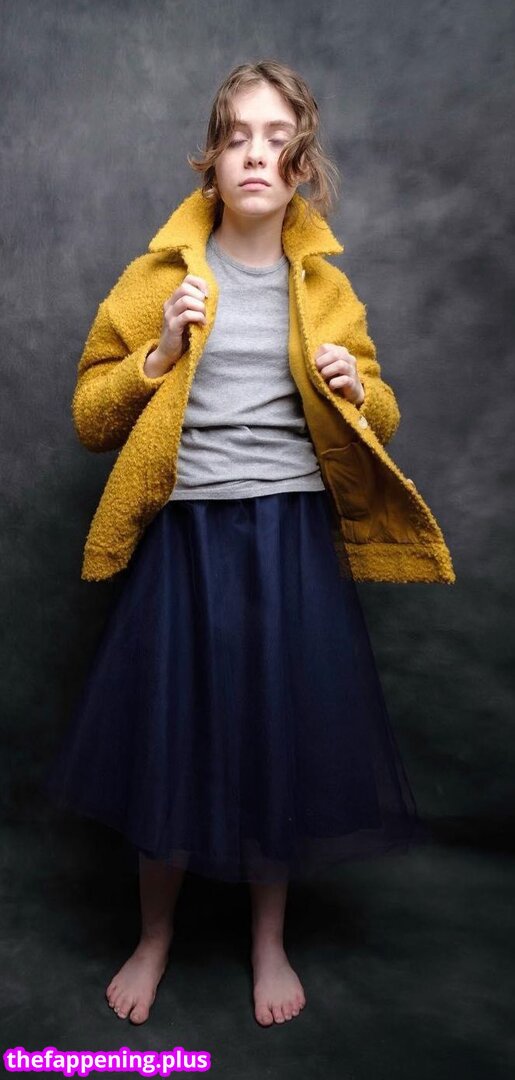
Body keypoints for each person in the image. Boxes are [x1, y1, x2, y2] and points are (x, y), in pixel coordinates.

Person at [42, 59, 455, 1029]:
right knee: (170, 739)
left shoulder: (327, 290)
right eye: (237, 137)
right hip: (186, 543)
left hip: (290, 542)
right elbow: (92, 417)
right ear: (211, 160)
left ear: (300, 164)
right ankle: (153, 937)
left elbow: (382, 410)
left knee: (275, 739)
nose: (256, 155)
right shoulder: (158, 279)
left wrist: (356, 390)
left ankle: (269, 943)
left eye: (277, 139)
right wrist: (157, 355)